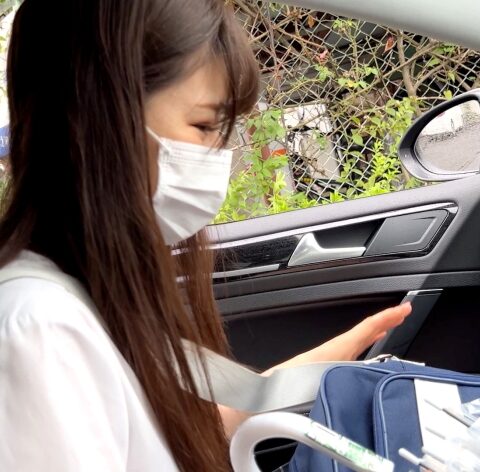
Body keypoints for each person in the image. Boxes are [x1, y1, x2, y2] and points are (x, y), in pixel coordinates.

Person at [0, 1, 412, 471]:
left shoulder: (90, 292)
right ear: (94, 119)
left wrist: (326, 366)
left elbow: (161, 438)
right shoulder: (40, 329)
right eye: (203, 126)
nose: (219, 157)